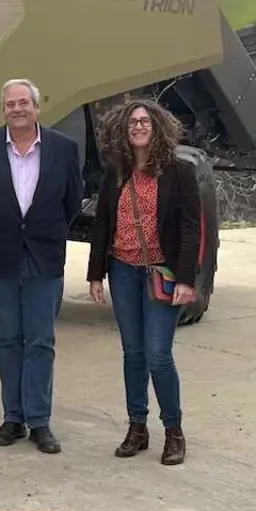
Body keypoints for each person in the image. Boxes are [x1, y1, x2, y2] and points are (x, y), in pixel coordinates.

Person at [0, 78, 82, 454]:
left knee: (41, 341)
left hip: (44, 257)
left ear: (36, 107)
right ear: (3, 110)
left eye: (23, 103)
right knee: (8, 340)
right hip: (0, 256)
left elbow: (72, 202)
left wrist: (44, 231)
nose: (17, 109)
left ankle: (40, 422)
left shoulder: (63, 148)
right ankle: (12, 418)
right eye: (10, 104)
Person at [85, 98, 200, 466]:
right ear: (123, 129)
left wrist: (185, 278)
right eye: (132, 122)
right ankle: (137, 427)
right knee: (132, 354)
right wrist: (95, 274)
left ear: (158, 127)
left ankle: (174, 432)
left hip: (160, 274)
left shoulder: (178, 171)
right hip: (122, 270)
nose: (138, 127)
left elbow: (189, 228)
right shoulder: (115, 173)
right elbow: (102, 224)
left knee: (158, 355)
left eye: (144, 121)